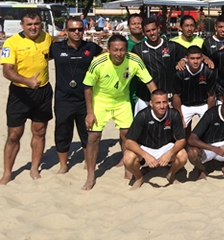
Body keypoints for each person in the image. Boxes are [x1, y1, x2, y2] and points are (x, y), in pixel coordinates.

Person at [83, 35, 157, 190]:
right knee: (93, 137)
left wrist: (157, 101)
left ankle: (128, 169)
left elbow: (149, 83)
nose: (119, 53)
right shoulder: (98, 62)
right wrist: (90, 112)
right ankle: (90, 175)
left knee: (127, 135)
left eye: (122, 49)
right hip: (101, 101)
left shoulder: (134, 60)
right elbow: (87, 87)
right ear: (108, 49)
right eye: (115, 50)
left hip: (122, 101)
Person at [0, 10, 53, 185]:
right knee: (14, 134)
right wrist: (26, 81)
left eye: (36, 24)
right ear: (22, 25)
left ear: (41, 24)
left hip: (43, 91)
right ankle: (7, 172)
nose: (33, 27)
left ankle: (34, 167)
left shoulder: (46, 38)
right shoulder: (11, 43)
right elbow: (6, 71)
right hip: (20, 92)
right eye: (29, 24)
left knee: (40, 131)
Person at [50, 17, 103, 174]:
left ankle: (88, 162)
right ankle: (63, 165)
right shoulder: (56, 48)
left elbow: (108, 56)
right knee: (62, 132)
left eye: (80, 29)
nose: (77, 32)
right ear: (66, 31)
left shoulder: (91, 47)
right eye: (73, 29)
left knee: (86, 132)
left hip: (85, 99)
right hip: (63, 98)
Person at [123, 89, 188, 189]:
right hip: (146, 148)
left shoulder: (174, 115)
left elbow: (182, 140)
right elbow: (129, 142)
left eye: (164, 102)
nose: (162, 106)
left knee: (183, 155)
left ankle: (171, 174)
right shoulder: (142, 116)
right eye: (158, 103)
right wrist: (146, 155)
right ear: (151, 103)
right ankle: (139, 177)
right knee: (128, 158)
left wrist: (169, 153)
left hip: (166, 147)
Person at [132, 17, 186, 114]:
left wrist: (183, 59)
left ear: (158, 29)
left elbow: (191, 54)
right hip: (145, 98)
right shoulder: (137, 49)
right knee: (143, 128)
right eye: (148, 31)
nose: (152, 33)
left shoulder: (172, 46)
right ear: (144, 33)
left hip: (167, 98)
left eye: (153, 29)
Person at [171, 46, 217, 136]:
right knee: (178, 130)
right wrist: (179, 114)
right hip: (185, 105)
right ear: (186, 58)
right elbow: (176, 96)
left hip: (203, 104)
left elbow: (211, 95)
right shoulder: (180, 73)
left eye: (198, 58)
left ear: (202, 58)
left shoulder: (209, 72)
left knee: (209, 129)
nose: (195, 61)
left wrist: (209, 114)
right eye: (192, 58)